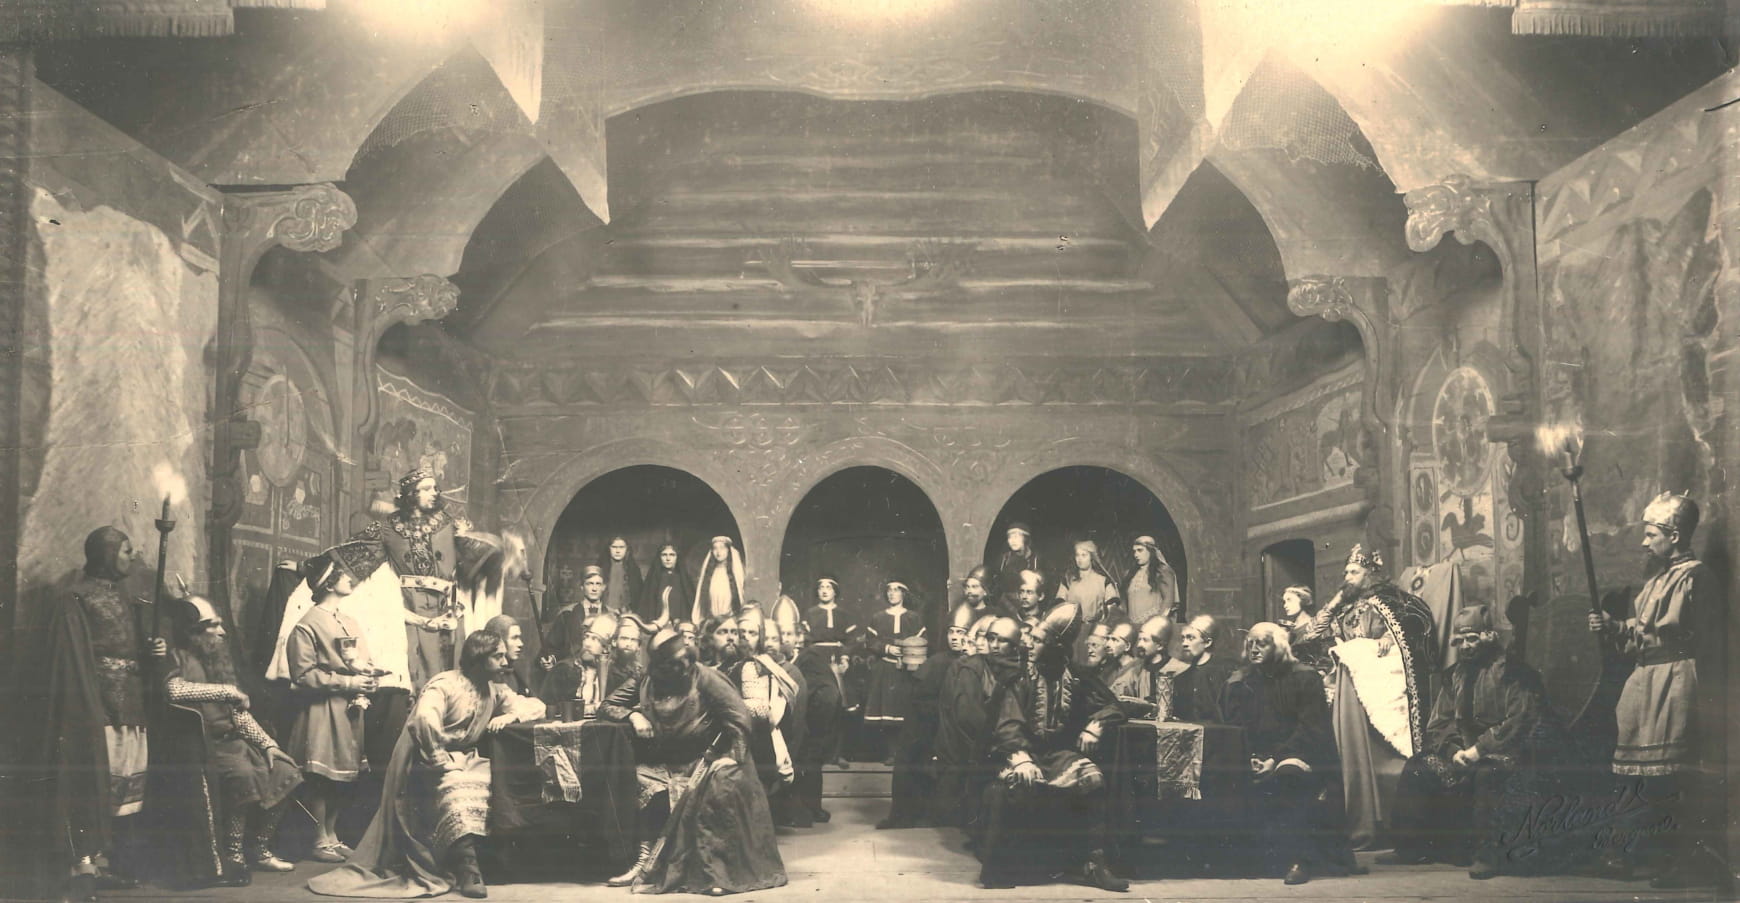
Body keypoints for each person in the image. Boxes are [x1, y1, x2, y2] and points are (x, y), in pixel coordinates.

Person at [309, 631, 533, 899]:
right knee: (456, 789)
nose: (505, 662)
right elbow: (424, 720)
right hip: (426, 761)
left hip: (468, 758)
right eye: (498, 656)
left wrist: (510, 716)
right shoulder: (445, 684)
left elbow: (534, 706)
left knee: (500, 785)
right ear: (478, 658)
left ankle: (491, 862)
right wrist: (439, 759)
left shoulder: (493, 688)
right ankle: (468, 868)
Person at [1588, 492, 1725, 888]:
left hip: (1676, 681)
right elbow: (1643, 633)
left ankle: (1687, 861)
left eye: (1651, 535)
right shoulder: (1657, 580)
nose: (1644, 542)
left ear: (1674, 535)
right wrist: (1614, 627)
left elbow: (1710, 642)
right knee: (1643, 776)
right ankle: (1637, 854)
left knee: (1676, 774)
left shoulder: (1697, 577)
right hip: (1645, 680)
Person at [598, 628, 787, 894]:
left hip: (712, 758)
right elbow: (606, 705)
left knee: (719, 785)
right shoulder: (645, 680)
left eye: (684, 660)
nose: (681, 668)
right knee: (635, 778)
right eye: (671, 664)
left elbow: (739, 719)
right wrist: (632, 715)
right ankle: (644, 862)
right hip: (666, 761)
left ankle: (715, 874)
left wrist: (732, 757)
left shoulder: (706, 678)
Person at [973, 603, 1128, 891]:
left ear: (1056, 647)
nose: (1029, 643)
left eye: (1039, 640)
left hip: (1056, 754)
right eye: (1031, 638)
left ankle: (1092, 865)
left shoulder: (1077, 676)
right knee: (1020, 782)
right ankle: (1011, 867)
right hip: (1015, 752)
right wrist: (1020, 758)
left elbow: (1113, 706)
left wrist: (1096, 724)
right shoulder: (1019, 675)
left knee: (1093, 778)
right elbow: (1007, 724)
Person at [1383, 604, 1544, 878]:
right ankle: (1410, 847)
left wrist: (1479, 750)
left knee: (1487, 773)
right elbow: (1439, 723)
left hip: (1507, 751)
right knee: (1419, 765)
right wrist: (1454, 750)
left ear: (1489, 636)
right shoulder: (1454, 675)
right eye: (1461, 640)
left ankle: (1489, 856)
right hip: (1463, 751)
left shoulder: (1515, 672)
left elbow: (1520, 720)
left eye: (1473, 638)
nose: (1467, 646)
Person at [42, 526, 157, 900]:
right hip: (96, 705)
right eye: (126, 551)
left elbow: (130, 649)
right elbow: (74, 656)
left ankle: (108, 863)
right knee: (92, 785)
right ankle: (83, 867)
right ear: (107, 554)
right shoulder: (75, 597)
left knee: (123, 788)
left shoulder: (125, 597)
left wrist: (151, 650)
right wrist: (89, 705)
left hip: (130, 704)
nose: (132, 557)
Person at [161, 594, 303, 887]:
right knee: (243, 775)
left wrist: (268, 744)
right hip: (205, 746)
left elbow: (238, 714)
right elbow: (175, 690)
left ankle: (260, 848)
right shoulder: (177, 657)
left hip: (236, 742)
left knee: (286, 769)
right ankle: (234, 854)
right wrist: (225, 691)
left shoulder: (217, 661)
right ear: (194, 631)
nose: (222, 632)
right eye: (214, 625)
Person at [1311, 543, 1436, 850]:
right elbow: (1313, 633)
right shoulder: (1345, 604)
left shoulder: (1393, 600)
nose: (1347, 577)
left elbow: (1414, 625)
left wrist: (1390, 637)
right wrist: (1339, 597)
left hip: (1382, 678)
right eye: (1345, 572)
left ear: (1370, 573)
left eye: (1354, 572)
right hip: (1351, 678)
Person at [1219, 623, 1360, 885]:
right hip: (1258, 754)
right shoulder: (1241, 681)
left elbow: (1311, 730)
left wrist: (1274, 759)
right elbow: (1237, 726)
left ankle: (1299, 860)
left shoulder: (1305, 678)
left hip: (1300, 752)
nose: (1254, 649)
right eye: (1250, 643)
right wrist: (1250, 755)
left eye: (1262, 643)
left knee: (1289, 775)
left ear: (1279, 646)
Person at [288, 547, 383, 864]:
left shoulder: (349, 621)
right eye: (343, 574)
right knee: (322, 776)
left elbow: (364, 662)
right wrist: (348, 683)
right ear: (328, 583)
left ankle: (332, 834)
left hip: (350, 710)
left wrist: (369, 680)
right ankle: (318, 839)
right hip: (322, 711)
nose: (350, 578)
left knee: (346, 775)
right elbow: (302, 675)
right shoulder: (307, 625)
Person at [356, 468, 470, 690]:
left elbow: (472, 561)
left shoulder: (450, 523)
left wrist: (466, 540)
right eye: (426, 488)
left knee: (448, 669)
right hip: (409, 606)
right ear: (410, 494)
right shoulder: (388, 526)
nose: (434, 492)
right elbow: (356, 553)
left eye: (435, 488)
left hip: (445, 606)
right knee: (413, 669)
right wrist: (303, 568)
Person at [881, 602, 972, 829]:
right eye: (951, 632)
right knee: (909, 758)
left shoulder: (974, 664)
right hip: (927, 724)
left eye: (961, 633)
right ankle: (905, 815)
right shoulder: (936, 662)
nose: (955, 637)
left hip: (958, 728)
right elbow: (919, 700)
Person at [864, 581, 924, 760]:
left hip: (907, 670)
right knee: (887, 712)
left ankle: (904, 754)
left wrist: (908, 649)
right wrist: (887, 648)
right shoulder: (878, 617)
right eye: (889, 590)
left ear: (904, 594)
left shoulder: (913, 617)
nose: (892, 593)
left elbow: (922, 640)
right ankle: (891, 753)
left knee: (905, 710)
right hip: (885, 669)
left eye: (896, 590)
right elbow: (870, 641)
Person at [538, 611, 619, 717]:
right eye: (586, 637)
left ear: (607, 647)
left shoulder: (615, 676)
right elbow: (547, 709)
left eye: (595, 639)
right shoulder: (564, 671)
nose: (587, 644)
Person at [1173, 614, 1236, 723]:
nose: (1184, 644)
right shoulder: (1181, 678)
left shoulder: (1224, 673)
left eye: (1190, 638)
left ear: (1207, 642)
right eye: (1183, 638)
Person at [482, 614, 546, 712]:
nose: (521, 644)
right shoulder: (490, 677)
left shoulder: (514, 672)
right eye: (514, 638)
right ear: (499, 641)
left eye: (519, 637)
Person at [544, 565, 609, 663]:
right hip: (574, 666)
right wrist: (551, 659)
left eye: (598, 584)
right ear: (582, 586)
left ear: (603, 587)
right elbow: (552, 647)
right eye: (589, 584)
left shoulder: (611, 615)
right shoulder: (567, 614)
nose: (594, 588)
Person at [1056, 540, 1121, 626]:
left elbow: (1112, 608)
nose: (1080, 559)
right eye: (1077, 555)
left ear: (1091, 557)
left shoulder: (1103, 581)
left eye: (1084, 555)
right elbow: (1059, 605)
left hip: (1095, 627)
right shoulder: (1068, 580)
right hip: (1071, 627)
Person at [1123, 536, 1179, 625]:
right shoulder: (1130, 574)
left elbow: (1168, 601)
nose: (1136, 555)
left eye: (1140, 550)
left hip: (1153, 627)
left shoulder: (1162, 571)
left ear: (1151, 551)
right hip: (1132, 627)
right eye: (1134, 551)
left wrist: (1156, 624)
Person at [691, 536, 746, 624]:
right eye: (715, 548)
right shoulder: (709, 574)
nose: (718, 552)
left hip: (730, 619)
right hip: (712, 619)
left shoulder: (734, 573)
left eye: (722, 548)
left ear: (728, 550)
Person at [640, 544, 694, 627]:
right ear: (659, 557)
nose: (668, 558)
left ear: (677, 557)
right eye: (664, 555)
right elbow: (648, 606)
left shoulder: (684, 580)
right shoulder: (653, 579)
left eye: (672, 555)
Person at [1280, 586, 1331, 676]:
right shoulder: (1289, 628)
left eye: (1289, 600)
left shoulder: (1315, 625)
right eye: (1284, 601)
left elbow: (1326, 659)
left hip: (1310, 677)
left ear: (1303, 600)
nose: (1285, 605)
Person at [992, 524, 1040, 612]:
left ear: (1025, 538)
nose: (1013, 541)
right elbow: (996, 585)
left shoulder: (1036, 560)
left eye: (1016, 537)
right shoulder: (1004, 559)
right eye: (1010, 537)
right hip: (1005, 606)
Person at [801, 575, 853, 647]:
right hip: (814, 652)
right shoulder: (810, 613)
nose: (824, 591)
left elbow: (850, 640)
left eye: (828, 588)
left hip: (838, 652)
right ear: (818, 591)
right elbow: (805, 638)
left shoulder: (843, 614)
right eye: (821, 588)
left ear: (835, 592)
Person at [599, 536, 644, 616]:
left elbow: (637, 596)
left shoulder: (634, 570)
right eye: (614, 547)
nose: (617, 551)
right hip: (602, 613)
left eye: (621, 547)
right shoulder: (600, 568)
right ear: (609, 548)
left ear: (627, 549)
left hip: (627, 613)